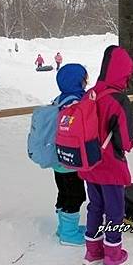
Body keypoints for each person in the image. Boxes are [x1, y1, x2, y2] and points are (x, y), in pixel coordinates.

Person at [80, 45, 133, 265]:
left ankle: (92, 251)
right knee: (114, 208)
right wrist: (129, 144)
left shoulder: (90, 93)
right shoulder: (118, 100)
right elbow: (124, 140)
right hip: (110, 165)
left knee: (95, 205)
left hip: (89, 162)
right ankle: (113, 254)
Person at [52, 64, 89, 245]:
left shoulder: (59, 99)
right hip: (71, 159)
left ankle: (63, 228)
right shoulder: (77, 102)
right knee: (75, 195)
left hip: (58, 158)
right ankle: (69, 233)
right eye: (84, 78)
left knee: (64, 192)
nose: (86, 81)